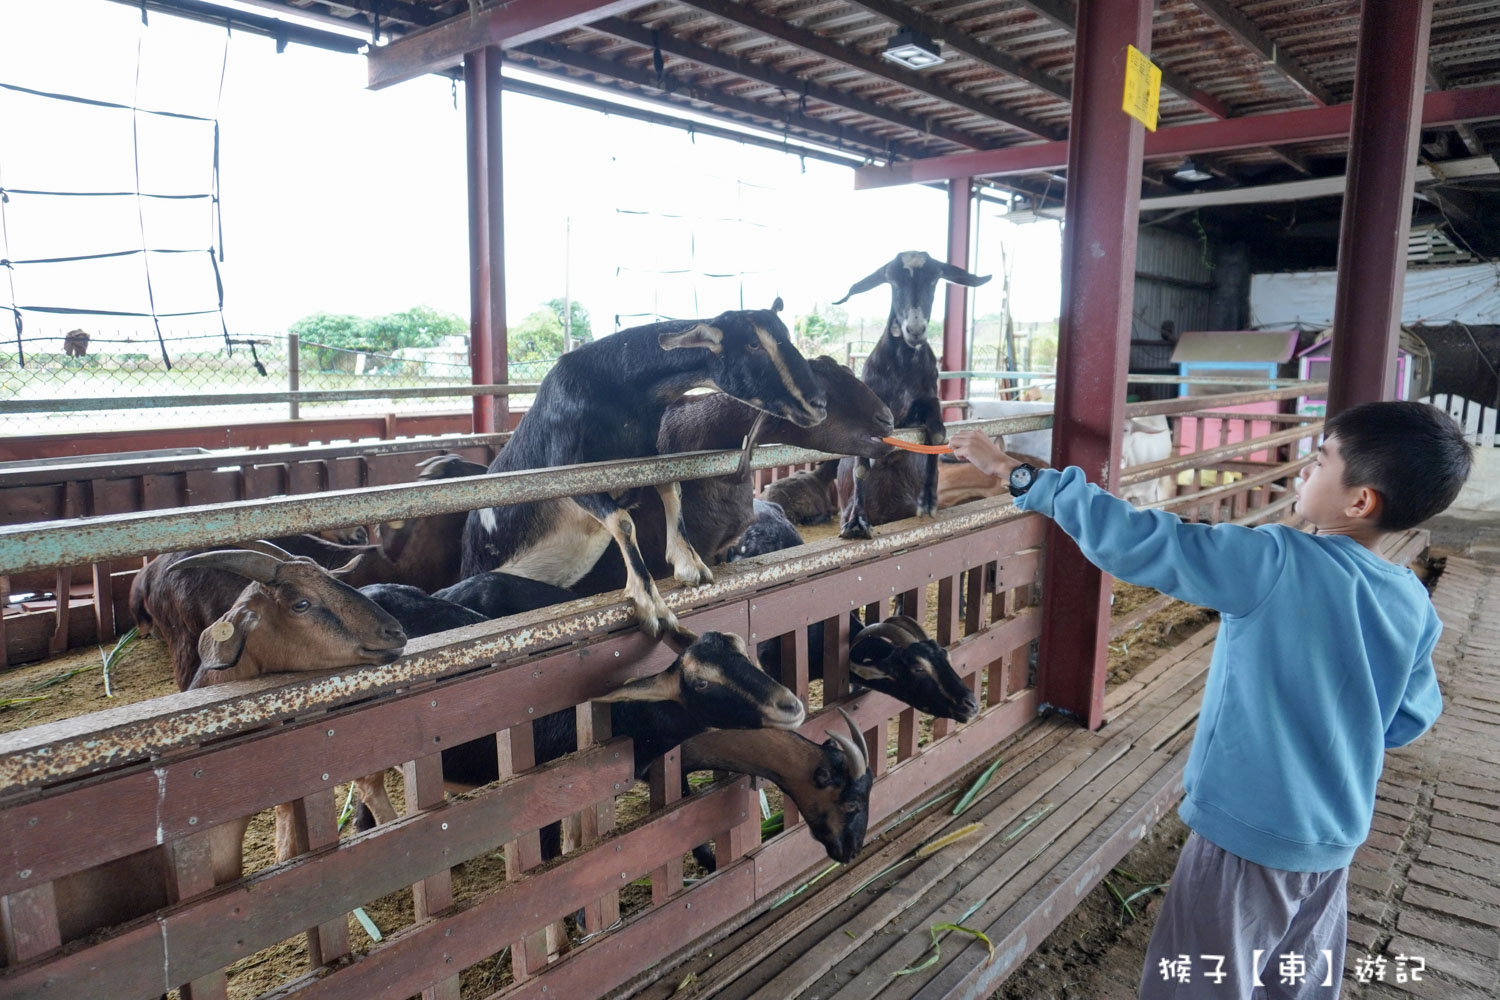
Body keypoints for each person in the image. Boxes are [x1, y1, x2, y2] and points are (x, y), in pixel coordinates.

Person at [950, 400, 1473, 999]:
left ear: (1360, 501)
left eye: (1322, 459)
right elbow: (1409, 719)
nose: (1306, 466)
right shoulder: (1409, 598)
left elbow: (1142, 542)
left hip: (1246, 836)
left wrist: (1019, 476)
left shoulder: (1275, 560)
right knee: (1295, 982)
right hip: (1332, 843)